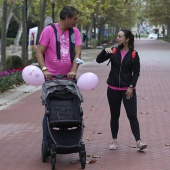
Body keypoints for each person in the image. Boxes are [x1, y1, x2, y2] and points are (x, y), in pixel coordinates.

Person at [36, 6, 82, 144]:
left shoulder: (75, 32)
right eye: (75, 19)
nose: (76, 21)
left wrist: (73, 70)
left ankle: (63, 141)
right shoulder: (49, 30)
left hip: (69, 79)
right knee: (50, 110)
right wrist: (44, 69)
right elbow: (39, 52)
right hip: (52, 79)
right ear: (67, 18)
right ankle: (46, 141)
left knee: (68, 108)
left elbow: (78, 54)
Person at [96, 29, 147, 151]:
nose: (117, 38)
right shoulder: (113, 51)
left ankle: (139, 141)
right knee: (115, 115)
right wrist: (104, 51)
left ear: (127, 39)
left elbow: (136, 73)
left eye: (120, 36)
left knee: (132, 115)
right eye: (117, 36)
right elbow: (99, 60)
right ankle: (114, 140)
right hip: (113, 89)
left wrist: (131, 87)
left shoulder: (134, 54)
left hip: (127, 90)